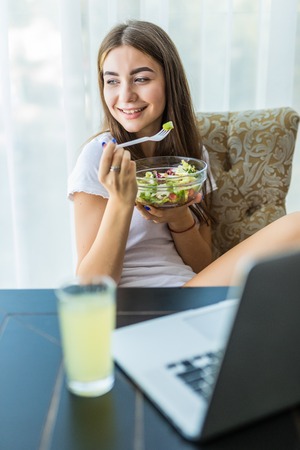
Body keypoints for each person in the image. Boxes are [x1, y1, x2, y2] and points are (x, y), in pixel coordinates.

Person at [68, 20, 300, 287]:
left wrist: (180, 217)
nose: (125, 95)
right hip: (130, 301)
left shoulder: (191, 156)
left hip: (189, 290)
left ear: (170, 81)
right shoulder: (98, 158)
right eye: (112, 81)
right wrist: (121, 202)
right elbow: (90, 286)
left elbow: (202, 265)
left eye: (141, 79)